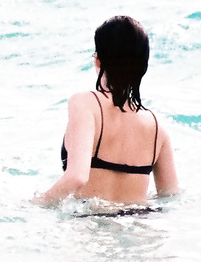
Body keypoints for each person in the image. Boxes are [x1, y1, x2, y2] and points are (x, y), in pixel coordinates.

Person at [35, 15, 178, 207]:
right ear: (142, 66)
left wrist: (37, 203)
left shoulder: (85, 104)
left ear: (98, 60)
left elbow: (77, 176)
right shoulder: (157, 128)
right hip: (140, 222)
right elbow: (170, 195)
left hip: (90, 222)